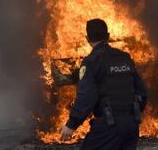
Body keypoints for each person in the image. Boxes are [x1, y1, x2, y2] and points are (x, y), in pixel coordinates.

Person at [60, 19, 148, 149]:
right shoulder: (124, 57)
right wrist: (131, 116)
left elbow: (87, 97)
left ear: (87, 38)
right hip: (131, 125)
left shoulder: (91, 62)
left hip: (109, 125)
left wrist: (72, 124)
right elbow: (142, 92)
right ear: (108, 36)